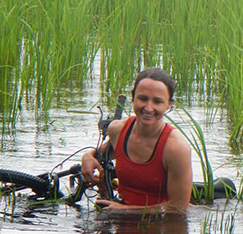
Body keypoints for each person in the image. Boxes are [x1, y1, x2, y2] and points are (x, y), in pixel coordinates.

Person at [80, 67, 193, 213]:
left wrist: (126, 210)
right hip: (119, 218)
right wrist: (87, 157)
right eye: (143, 98)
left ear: (169, 104)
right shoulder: (118, 130)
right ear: (133, 97)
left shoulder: (176, 149)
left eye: (157, 101)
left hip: (159, 228)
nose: (148, 108)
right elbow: (100, 154)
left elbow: (178, 209)